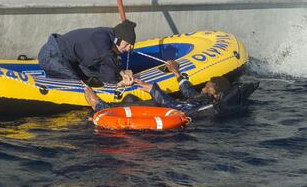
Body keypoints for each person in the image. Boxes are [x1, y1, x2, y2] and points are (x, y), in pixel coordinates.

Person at [85, 60, 259, 118]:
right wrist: (175, 70)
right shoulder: (201, 97)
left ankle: (100, 106)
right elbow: (187, 90)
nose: (205, 85)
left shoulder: (206, 103)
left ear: (215, 91)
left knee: (139, 101)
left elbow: (179, 108)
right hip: (170, 108)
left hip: (172, 115)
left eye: (209, 85)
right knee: (130, 99)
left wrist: (146, 85)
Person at [38, 20, 137, 87]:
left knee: (90, 77)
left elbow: (108, 75)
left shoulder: (111, 53)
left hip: (71, 61)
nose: (128, 49)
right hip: (53, 54)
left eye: (130, 46)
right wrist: (122, 72)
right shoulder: (101, 35)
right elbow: (106, 55)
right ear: (117, 39)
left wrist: (120, 81)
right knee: (77, 86)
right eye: (127, 44)